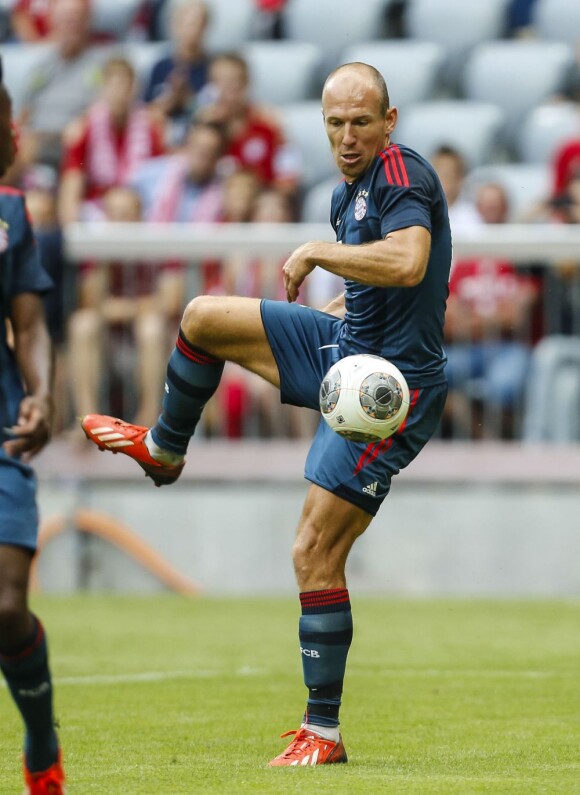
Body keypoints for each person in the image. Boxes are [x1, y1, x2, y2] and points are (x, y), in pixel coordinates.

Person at [81, 61, 451, 766]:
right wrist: (341, 301)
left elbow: (408, 263)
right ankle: (164, 446)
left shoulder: (402, 173)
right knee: (202, 317)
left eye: (361, 122)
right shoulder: (352, 191)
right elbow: (390, 285)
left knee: (314, 549)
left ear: (389, 123)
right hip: (347, 346)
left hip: (389, 392)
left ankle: (324, 731)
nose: (347, 137)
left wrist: (319, 251)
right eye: (335, 123)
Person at [0, 60, 65, 793]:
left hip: (1, 425)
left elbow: (29, 320)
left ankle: (42, 739)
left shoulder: (12, 214)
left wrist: (41, 392)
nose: (13, 137)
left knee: (7, 606)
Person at [58, 55, 165, 225]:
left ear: (134, 89)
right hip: (97, 210)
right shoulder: (85, 127)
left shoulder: (151, 127)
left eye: (126, 86)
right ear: (103, 88)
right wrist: (70, 228)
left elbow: (161, 182)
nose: (120, 92)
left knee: (125, 206)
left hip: (139, 209)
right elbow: (72, 178)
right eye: (114, 85)